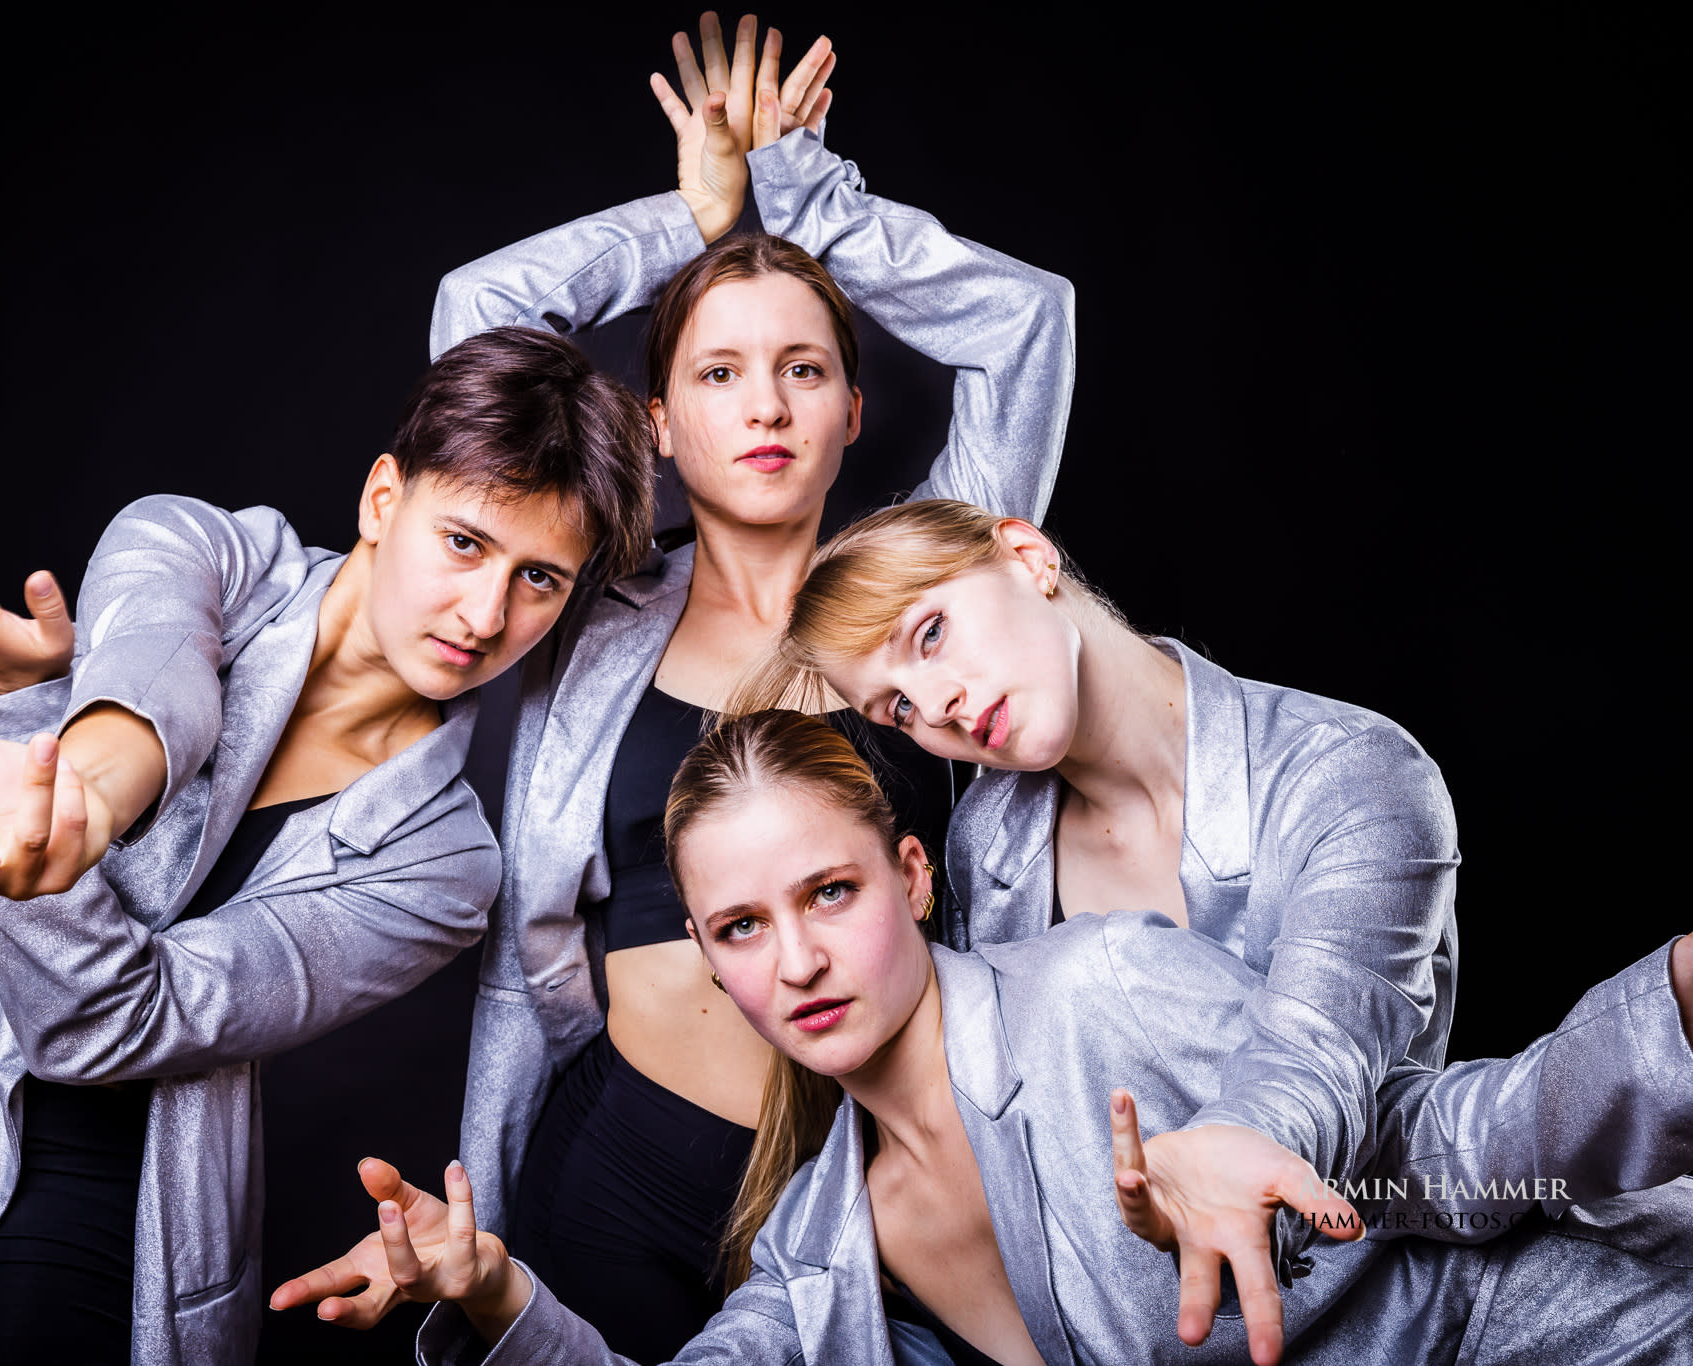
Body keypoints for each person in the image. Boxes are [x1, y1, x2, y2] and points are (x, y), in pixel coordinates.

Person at [0, 326, 656, 1366]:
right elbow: (149, 709)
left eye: (541, 579)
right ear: (381, 499)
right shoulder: (197, 547)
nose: (486, 613)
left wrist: (46, 854)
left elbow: (114, 1025)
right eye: (465, 543)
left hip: (111, 1208)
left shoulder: (444, 866)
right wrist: (71, 788)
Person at [368, 16, 1077, 1354]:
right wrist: (700, 218)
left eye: (803, 369)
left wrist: (808, 201)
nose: (765, 407)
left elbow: (1025, 325)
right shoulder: (593, 604)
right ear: (657, 421)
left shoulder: (926, 593)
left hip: (862, 1183)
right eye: (719, 372)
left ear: (852, 409)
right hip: (618, 1161)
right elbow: (478, 319)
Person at [278, 711, 1693, 1366]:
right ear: (705, 957)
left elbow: (1433, 1152)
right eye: (743, 926)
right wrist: (496, 1294)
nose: (798, 959)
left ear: (911, 874)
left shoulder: (1097, 989)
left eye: (829, 893)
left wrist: (1669, 1010)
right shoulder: (822, 1243)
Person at [719, 495, 1474, 1325]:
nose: (933, 708)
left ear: (1028, 557)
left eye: (930, 635)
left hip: (1392, 1292)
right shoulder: (988, 847)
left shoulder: (1348, 773)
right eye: (895, 707)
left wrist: (1238, 1144)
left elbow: (1318, 1060)